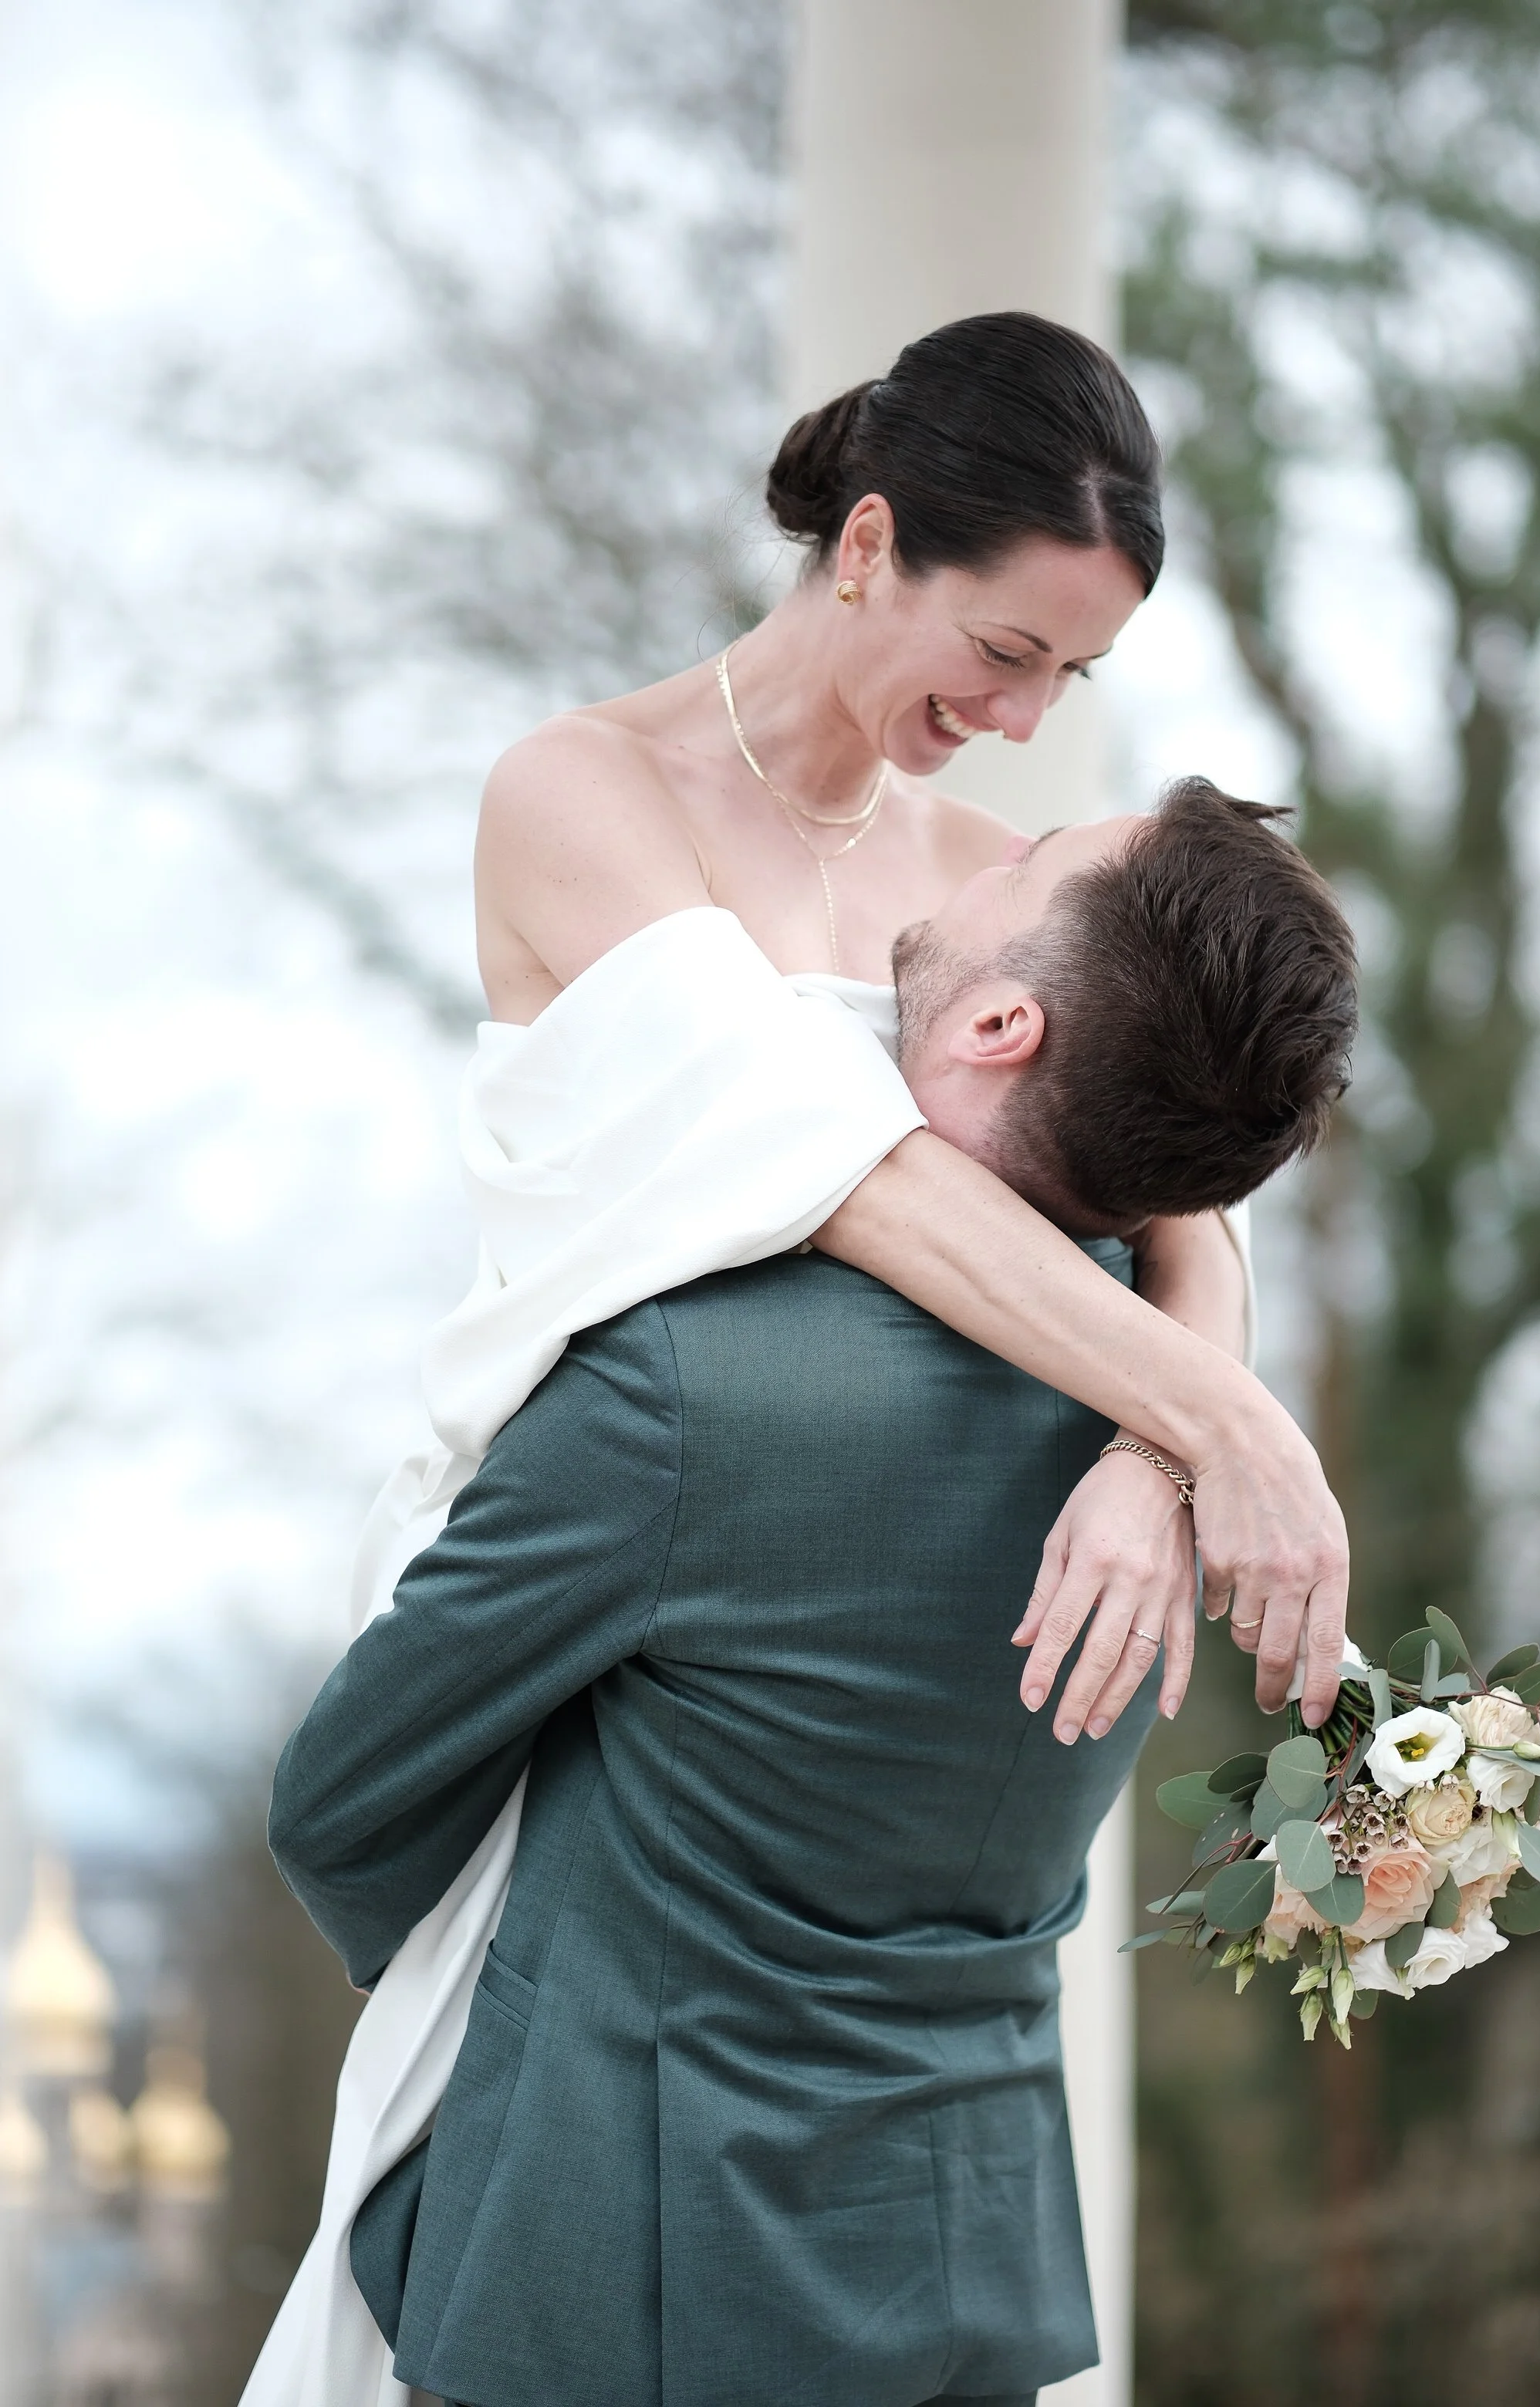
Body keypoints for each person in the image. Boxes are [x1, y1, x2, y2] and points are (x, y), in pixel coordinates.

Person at [241, 313, 1350, 2407]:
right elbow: (838, 1171)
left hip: (843, 1632)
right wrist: (1206, 1412)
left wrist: (1159, 1449)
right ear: (865, 544)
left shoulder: (986, 884)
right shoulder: (586, 797)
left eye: (1073, 680)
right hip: (585, 1558)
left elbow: (1186, 1218)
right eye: (1010, 651)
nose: (1027, 725)